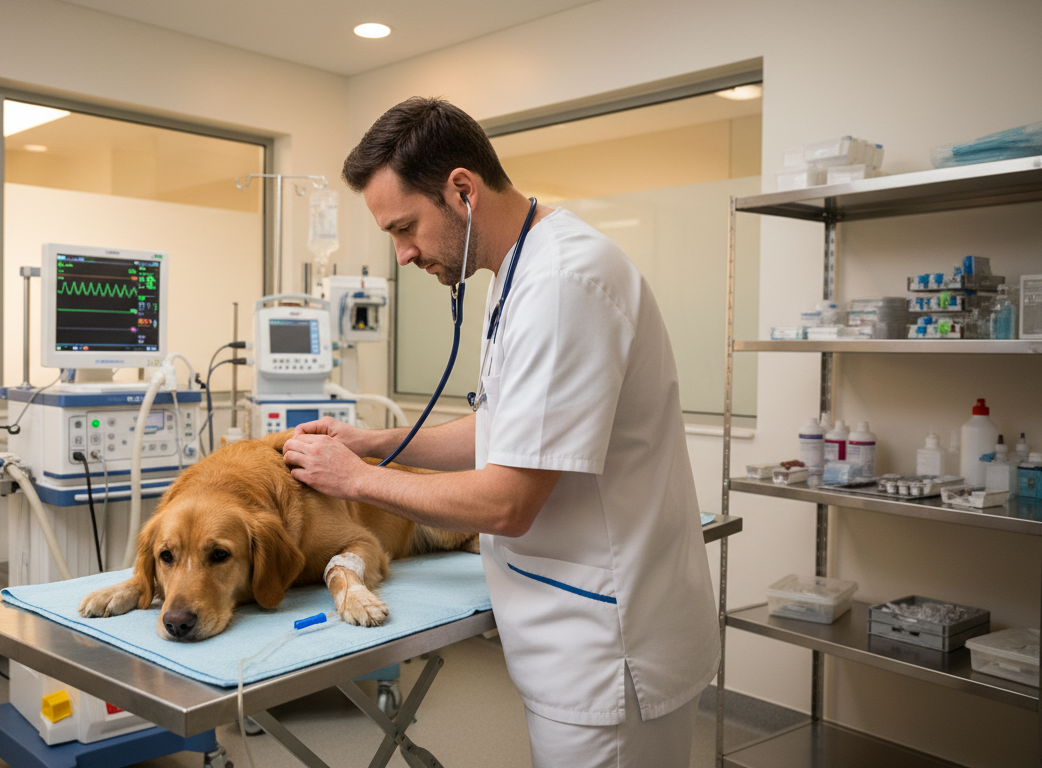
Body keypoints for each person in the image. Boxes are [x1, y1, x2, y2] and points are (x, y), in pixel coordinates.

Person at [281, 96, 719, 768]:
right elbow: (505, 428)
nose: (403, 254)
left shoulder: (563, 283)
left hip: (607, 648)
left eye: (406, 228)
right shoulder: (516, 273)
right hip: (571, 633)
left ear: (463, 189)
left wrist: (358, 480)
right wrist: (376, 442)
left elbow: (508, 502)